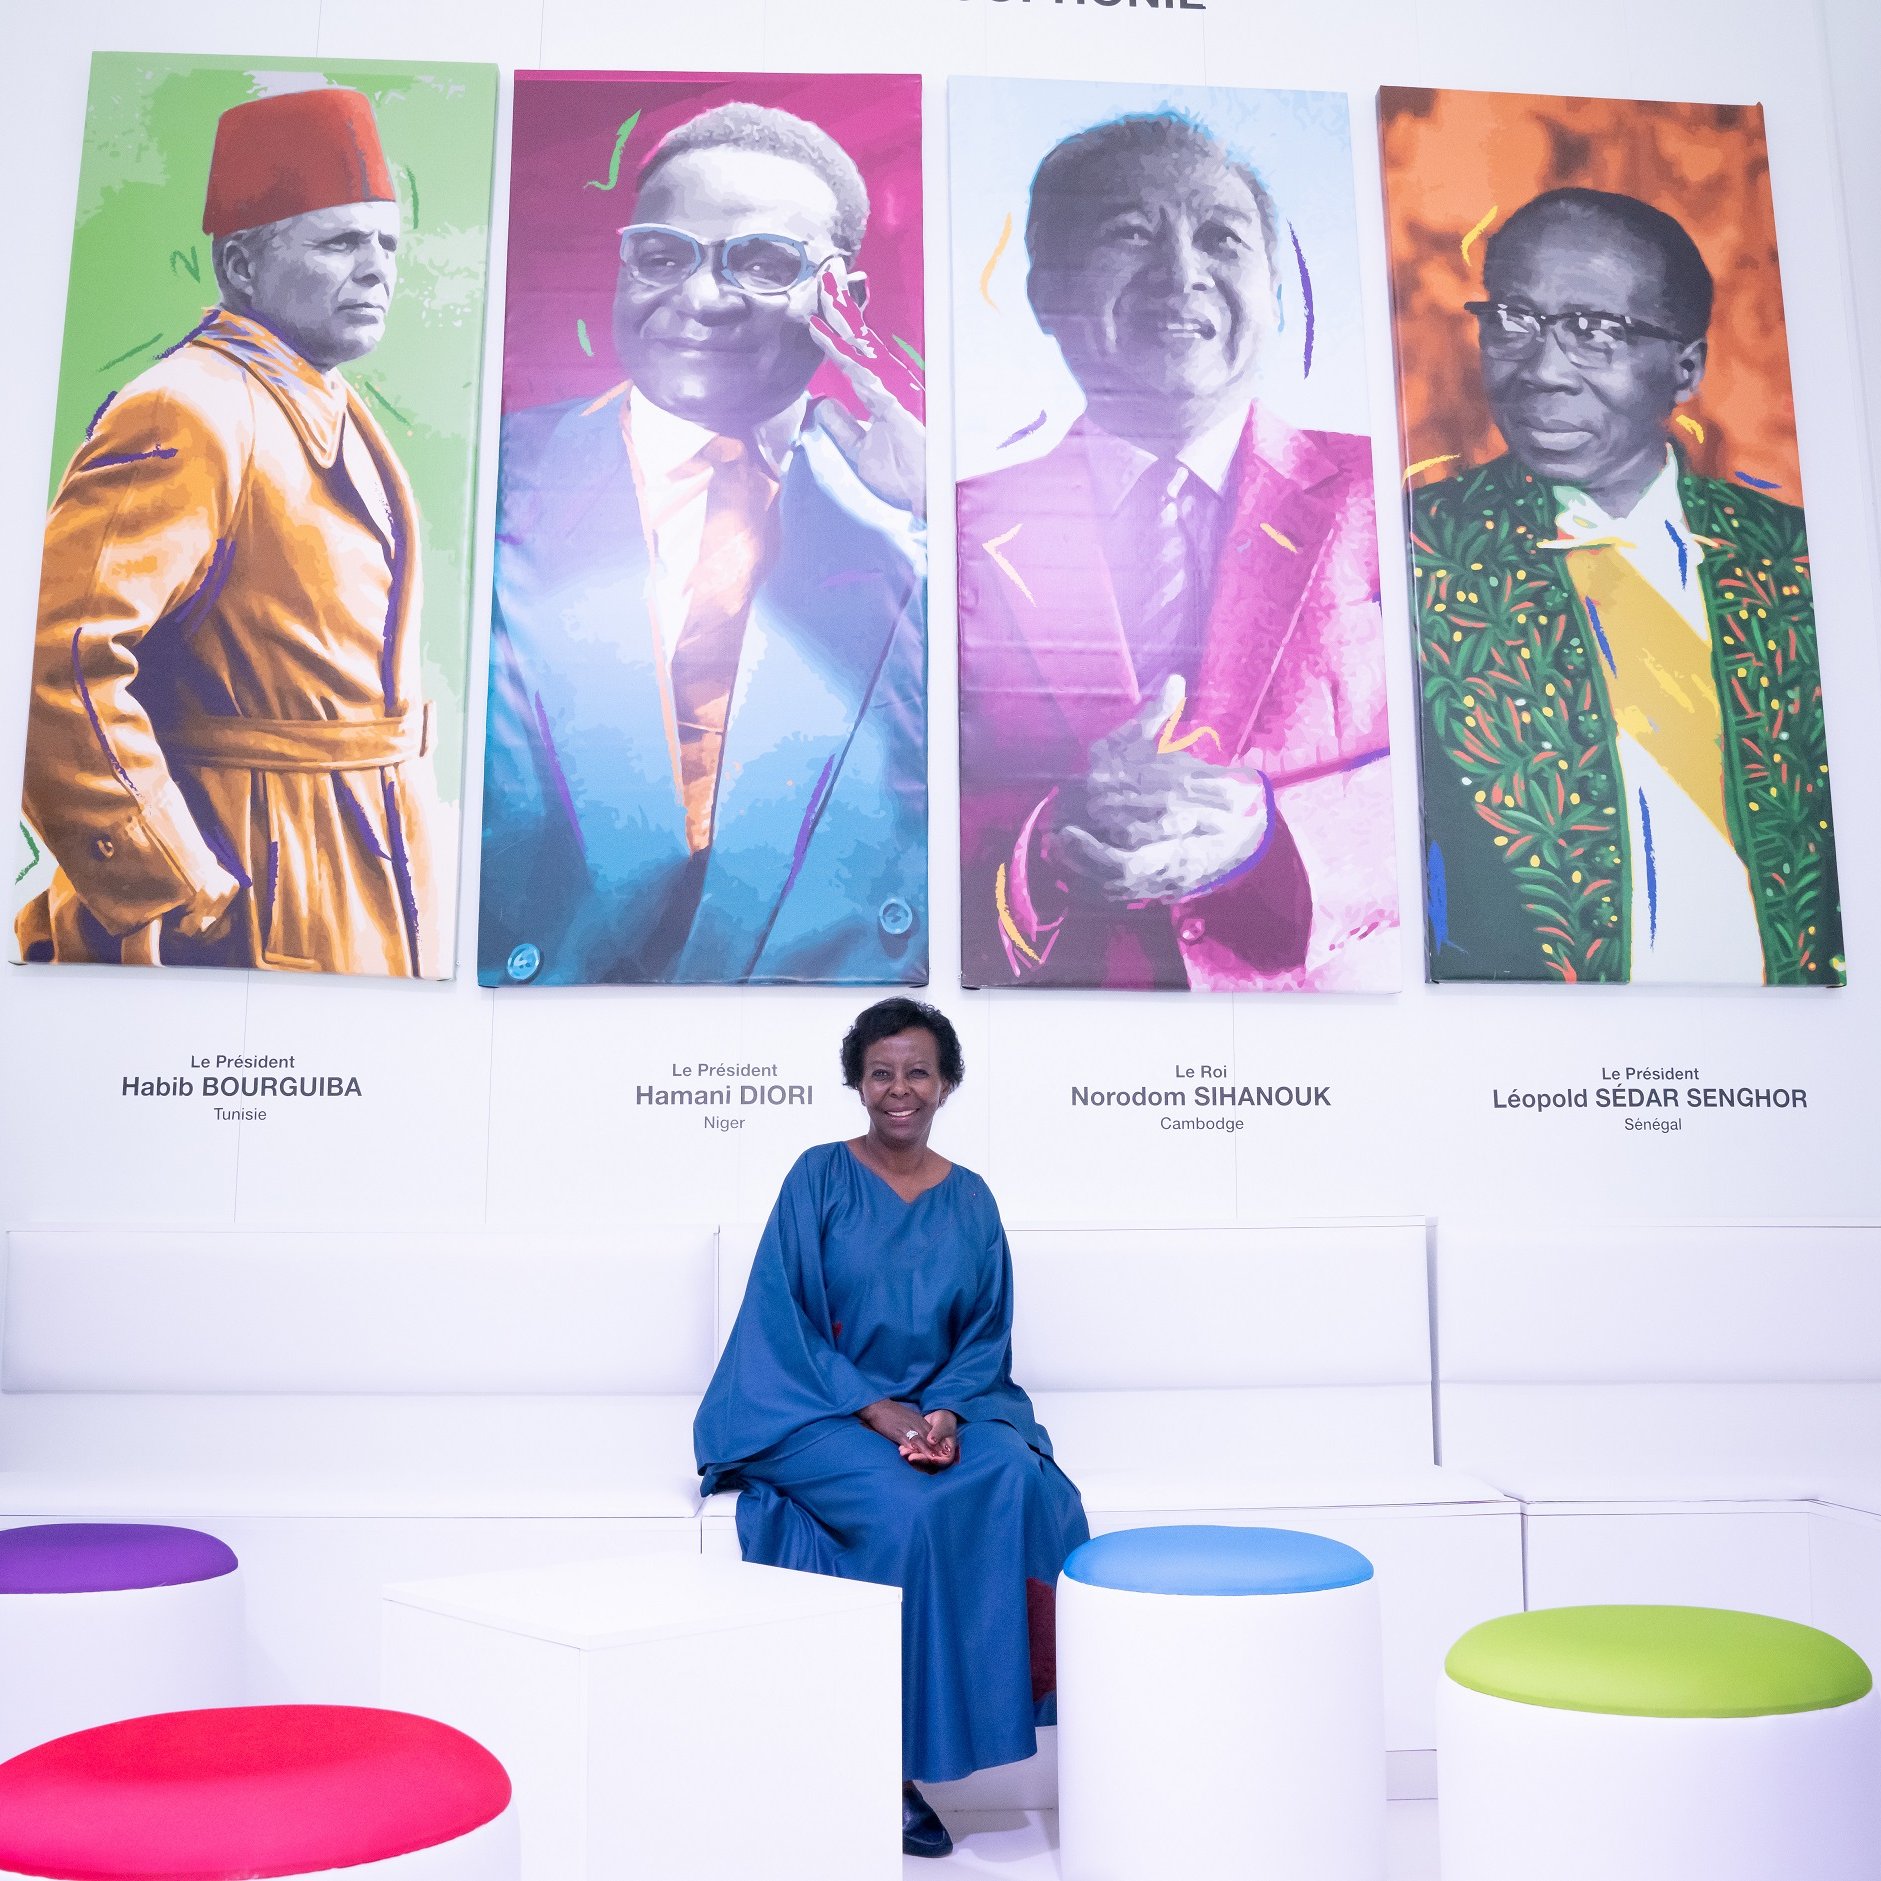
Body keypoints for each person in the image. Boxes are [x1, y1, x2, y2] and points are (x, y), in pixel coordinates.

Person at [479, 101, 928, 988]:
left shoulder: (922, 520)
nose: (700, 298)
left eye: (761, 262)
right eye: (661, 256)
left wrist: (931, 516)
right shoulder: (484, 476)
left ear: (843, 298)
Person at [957, 111, 1398, 992]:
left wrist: (1272, 840)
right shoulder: (956, 531)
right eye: (1128, 233)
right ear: (1047, 294)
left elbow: (1478, 783)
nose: (1181, 273)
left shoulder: (1393, 494)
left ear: (1275, 291)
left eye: (1221, 237)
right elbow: (897, 811)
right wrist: (1049, 842)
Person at [16, 87, 439, 975]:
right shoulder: (189, 408)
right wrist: (169, 875)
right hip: (243, 891)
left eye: (387, 243)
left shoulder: (332, 404)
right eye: (338, 243)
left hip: (356, 870)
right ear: (242, 265)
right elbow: (54, 659)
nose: (376, 270)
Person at [1409, 186, 1843, 985]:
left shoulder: (1799, 562)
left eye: (1592, 332)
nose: (1541, 371)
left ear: (1685, 367)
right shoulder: (1409, 552)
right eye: (1512, 321)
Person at [694, 997, 1088, 1859]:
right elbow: (782, 1317)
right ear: (856, 1082)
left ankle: (979, 1729)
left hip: (948, 1400)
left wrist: (941, 1414)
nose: (898, 1089)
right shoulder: (818, 1177)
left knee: (1016, 1479)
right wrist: (879, 1410)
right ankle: (890, 1763)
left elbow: (985, 1333)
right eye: (880, 1072)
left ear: (945, 1083)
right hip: (812, 1403)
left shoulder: (971, 1198)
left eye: (916, 1071)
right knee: (904, 1508)